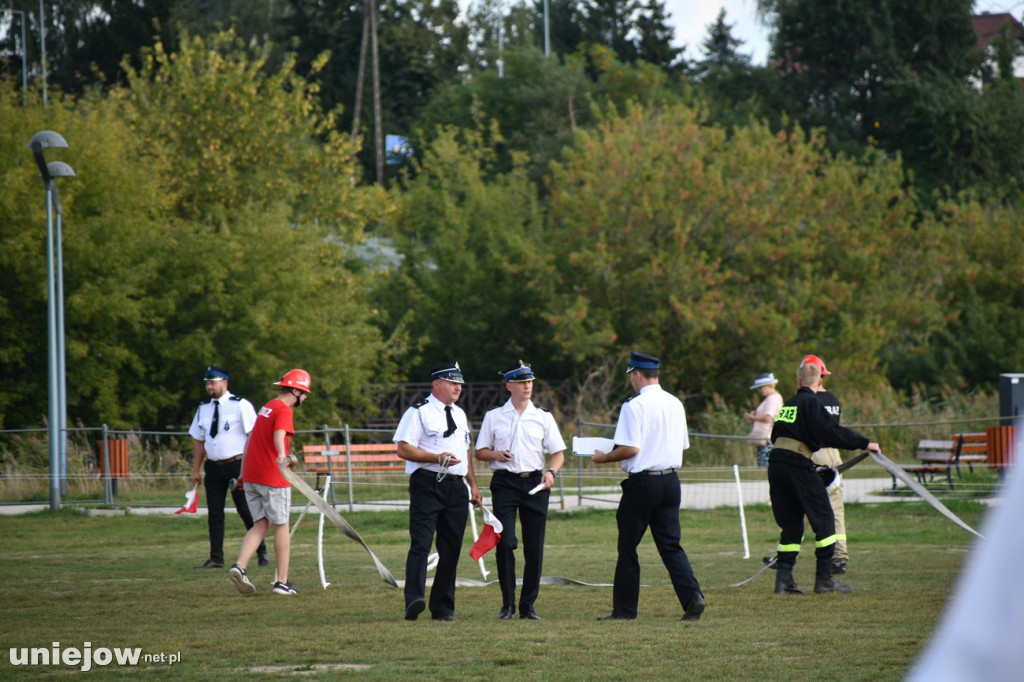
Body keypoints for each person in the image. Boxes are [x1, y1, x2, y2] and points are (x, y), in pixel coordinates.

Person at [593, 351, 705, 622]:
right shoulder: (675, 403)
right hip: (671, 480)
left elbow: (631, 448)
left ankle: (624, 610)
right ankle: (693, 599)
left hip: (643, 483)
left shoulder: (634, 406)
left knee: (628, 547)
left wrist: (604, 457)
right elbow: (682, 445)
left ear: (637, 374)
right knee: (671, 545)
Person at [768, 361, 880, 596]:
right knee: (825, 518)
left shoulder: (789, 404)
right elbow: (831, 432)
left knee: (792, 524)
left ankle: (783, 581)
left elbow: (775, 436)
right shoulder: (812, 402)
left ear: (798, 382)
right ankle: (824, 580)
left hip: (776, 463)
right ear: (819, 381)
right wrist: (864, 443)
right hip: (797, 462)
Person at [475, 360, 567, 621]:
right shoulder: (494, 415)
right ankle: (507, 604)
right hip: (505, 483)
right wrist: (494, 454)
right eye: (521, 382)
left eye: (530, 382)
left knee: (534, 547)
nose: (527, 386)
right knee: (505, 543)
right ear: (509, 386)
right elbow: (480, 451)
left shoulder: (543, 416)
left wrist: (551, 473)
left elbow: (558, 453)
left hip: (535, 483)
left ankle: (528, 606)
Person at [394, 362, 483, 621]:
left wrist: (473, 485)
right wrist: (436, 458)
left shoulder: (460, 414)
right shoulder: (418, 412)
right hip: (427, 482)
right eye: (453, 382)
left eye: (460, 384)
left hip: (456, 486)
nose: (458, 387)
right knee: (421, 543)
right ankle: (414, 599)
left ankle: (443, 608)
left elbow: (464, 451)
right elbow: (403, 449)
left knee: (451, 547)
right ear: (437, 384)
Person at [228, 368, 311, 596]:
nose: (303, 398)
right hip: (272, 477)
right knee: (281, 526)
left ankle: (240, 566)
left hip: (252, 477)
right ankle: (281, 582)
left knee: (260, 525)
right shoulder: (283, 410)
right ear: (294, 390)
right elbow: (279, 434)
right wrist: (282, 455)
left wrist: (243, 472)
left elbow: (250, 440)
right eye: (303, 393)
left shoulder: (266, 407)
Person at [188, 366, 268, 570]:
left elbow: (253, 435)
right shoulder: (203, 409)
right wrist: (196, 470)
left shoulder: (240, 405)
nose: (209, 387)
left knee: (245, 510)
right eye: (207, 383)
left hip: (237, 465)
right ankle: (216, 557)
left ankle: (261, 552)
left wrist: (249, 466)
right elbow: (199, 440)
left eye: (212, 383)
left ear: (224, 383)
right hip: (214, 467)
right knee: (215, 513)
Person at [801, 354, 850, 575]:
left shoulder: (805, 399)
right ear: (821, 376)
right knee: (835, 509)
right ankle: (839, 557)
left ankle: (786, 553)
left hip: (812, 454)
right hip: (833, 456)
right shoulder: (833, 399)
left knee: (801, 506)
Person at [744, 372, 783, 468]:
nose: (759, 390)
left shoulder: (772, 399)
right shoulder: (770, 398)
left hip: (767, 438)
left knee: (765, 466)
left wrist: (753, 418)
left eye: (761, 387)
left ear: (768, 386)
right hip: (765, 438)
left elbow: (768, 417)